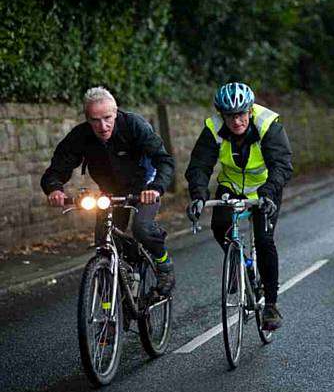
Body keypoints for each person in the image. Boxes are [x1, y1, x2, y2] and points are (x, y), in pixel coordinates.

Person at [41, 86, 177, 295]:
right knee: (104, 242)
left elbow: (164, 160)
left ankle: (163, 263)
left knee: (142, 228)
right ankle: (116, 298)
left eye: (107, 117)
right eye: (95, 120)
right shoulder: (81, 136)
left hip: (144, 187)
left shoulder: (133, 125)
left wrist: (156, 187)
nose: (102, 126)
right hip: (110, 192)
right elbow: (57, 168)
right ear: (87, 119)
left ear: (116, 113)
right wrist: (54, 189)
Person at [185, 82, 293, 331]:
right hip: (231, 186)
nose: (236, 121)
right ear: (222, 114)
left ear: (250, 111)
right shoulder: (213, 129)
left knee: (265, 241)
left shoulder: (268, 125)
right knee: (219, 225)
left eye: (241, 114)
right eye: (230, 116)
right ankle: (242, 263)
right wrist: (199, 196)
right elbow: (199, 166)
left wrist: (267, 192)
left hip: (266, 188)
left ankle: (271, 306)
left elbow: (282, 164)